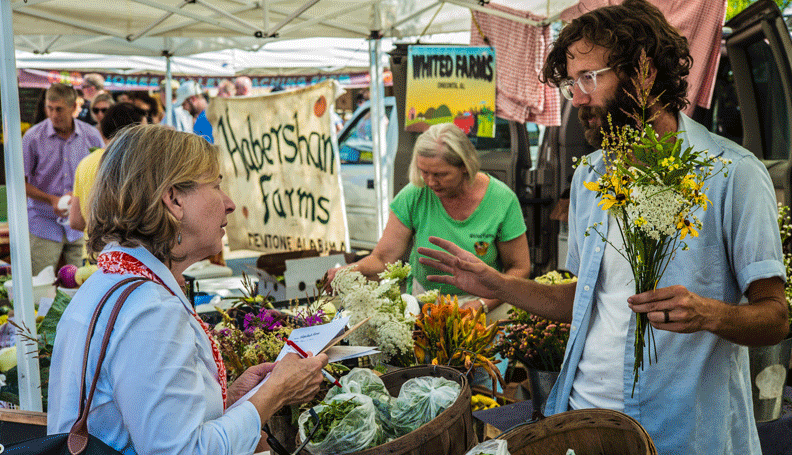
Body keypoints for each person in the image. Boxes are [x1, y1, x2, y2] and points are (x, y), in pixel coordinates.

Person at [416, 1, 788, 454]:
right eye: (572, 83)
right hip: (582, 418)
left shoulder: (732, 173)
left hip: (681, 430)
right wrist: (497, 284)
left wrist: (709, 313)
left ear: (644, 70)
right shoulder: (591, 175)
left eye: (589, 78)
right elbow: (586, 299)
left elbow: (775, 316)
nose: (578, 98)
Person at [48, 124, 328, 454]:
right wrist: (275, 393)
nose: (229, 203)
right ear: (174, 200)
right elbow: (180, 451)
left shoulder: (110, 283)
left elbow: (153, 418)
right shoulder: (149, 308)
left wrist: (236, 398)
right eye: (215, 185)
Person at [326, 123, 530, 318]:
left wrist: (483, 304)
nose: (431, 182)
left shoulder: (501, 200)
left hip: (487, 303)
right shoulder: (415, 194)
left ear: (465, 166)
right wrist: (349, 271)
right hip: (425, 303)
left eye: (441, 174)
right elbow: (383, 259)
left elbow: (519, 268)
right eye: (424, 172)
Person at [23, 83, 104, 275]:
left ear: (74, 107)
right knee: (42, 284)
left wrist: (78, 194)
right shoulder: (33, 137)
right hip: (43, 222)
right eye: (49, 109)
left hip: (82, 224)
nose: (53, 115)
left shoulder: (91, 135)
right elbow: (20, 183)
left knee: (85, 282)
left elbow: (102, 174)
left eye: (59, 109)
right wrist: (51, 199)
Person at [70, 102, 149, 234]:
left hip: (93, 250)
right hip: (125, 250)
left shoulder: (86, 162)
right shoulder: (132, 164)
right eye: (144, 131)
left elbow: (75, 221)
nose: (147, 137)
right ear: (130, 132)